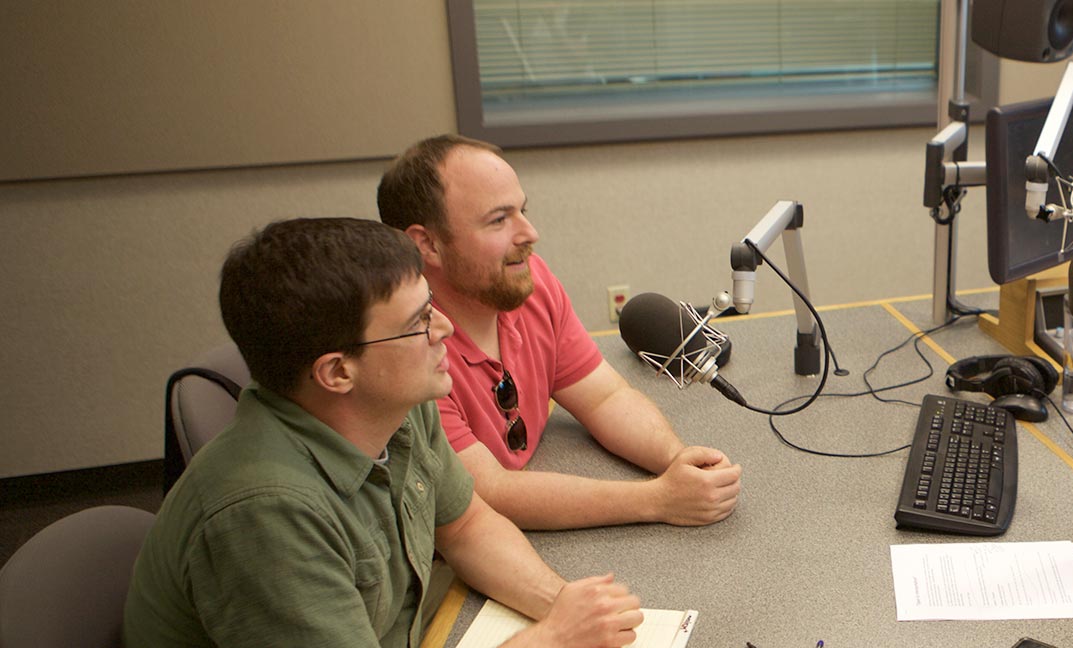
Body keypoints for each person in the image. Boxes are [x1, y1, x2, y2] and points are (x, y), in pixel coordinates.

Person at [125, 218, 644, 647]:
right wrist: (551, 640)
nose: (444, 328)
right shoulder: (265, 515)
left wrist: (566, 609)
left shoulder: (396, 404)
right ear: (337, 372)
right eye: (419, 322)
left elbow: (464, 526)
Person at [376, 136, 741, 530]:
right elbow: (488, 491)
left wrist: (679, 461)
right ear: (426, 244)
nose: (529, 233)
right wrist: (658, 499)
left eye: (522, 211)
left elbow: (604, 398)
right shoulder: (406, 350)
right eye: (499, 220)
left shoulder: (529, 282)